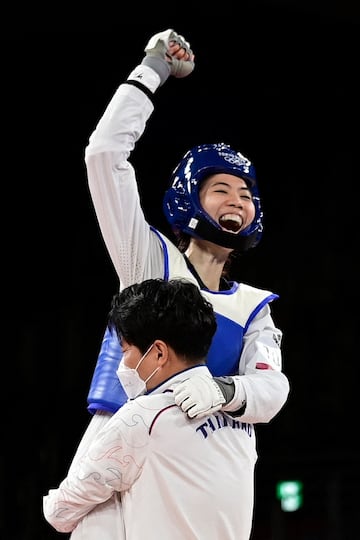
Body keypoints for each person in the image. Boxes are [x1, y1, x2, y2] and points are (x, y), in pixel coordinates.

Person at [62, 28, 290, 538]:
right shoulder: (148, 259)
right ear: (190, 200)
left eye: (246, 193)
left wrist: (224, 389)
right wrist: (153, 68)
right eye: (221, 189)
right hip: (119, 446)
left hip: (198, 459)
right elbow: (104, 156)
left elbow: (272, 390)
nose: (237, 200)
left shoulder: (255, 308)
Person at [43, 278, 259, 540]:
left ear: (158, 352)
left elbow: (61, 512)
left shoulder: (143, 418)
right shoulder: (242, 419)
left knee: (98, 506)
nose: (123, 365)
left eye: (126, 351)